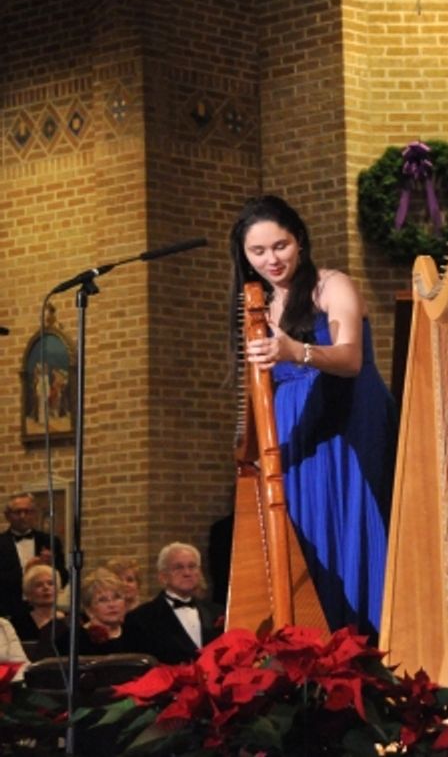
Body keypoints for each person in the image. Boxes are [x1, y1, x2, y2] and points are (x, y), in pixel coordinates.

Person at [230, 195, 397, 636]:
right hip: (295, 443)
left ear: (299, 241)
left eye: (280, 246)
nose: (272, 259)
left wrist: (294, 351)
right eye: (258, 252)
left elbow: (350, 359)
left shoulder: (331, 285)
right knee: (308, 553)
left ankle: (376, 652)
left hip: (346, 432)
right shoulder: (257, 309)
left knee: (357, 539)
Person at [123, 543, 222, 665]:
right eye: (179, 567)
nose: (187, 573)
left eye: (192, 566)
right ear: (163, 576)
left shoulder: (217, 612)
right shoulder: (140, 618)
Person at [34, 568, 133, 661]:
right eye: (102, 600)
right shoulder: (73, 640)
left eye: (117, 597)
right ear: (89, 610)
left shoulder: (137, 632)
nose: (112, 605)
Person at [0, 493, 66, 620]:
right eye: (17, 512)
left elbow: (63, 577)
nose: (22, 516)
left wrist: (50, 567)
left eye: (27, 511)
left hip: (44, 611)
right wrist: (26, 571)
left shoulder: (50, 541)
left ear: (35, 514)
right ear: (7, 516)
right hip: (8, 611)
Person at [7, 562, 66, 643]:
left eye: (50, 583)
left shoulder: (70, 621)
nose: (46, 588)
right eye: (39, 585)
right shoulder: (17, 623)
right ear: (28, 593)